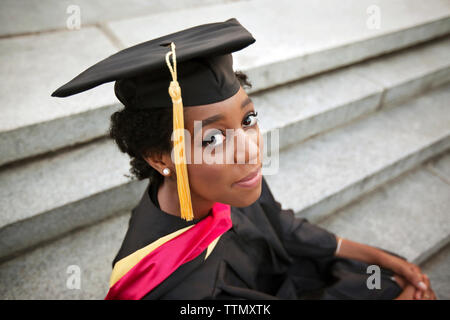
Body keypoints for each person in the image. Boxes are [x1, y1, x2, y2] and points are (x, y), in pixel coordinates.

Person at [52, 18, 436, 300]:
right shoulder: (186, 289)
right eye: (214, 138)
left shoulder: (222, 182)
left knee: (388, 271)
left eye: (248, 119)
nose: (251, 151)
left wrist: (382, 256)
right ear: (158, 157)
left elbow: (282, 225)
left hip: (285, 278)